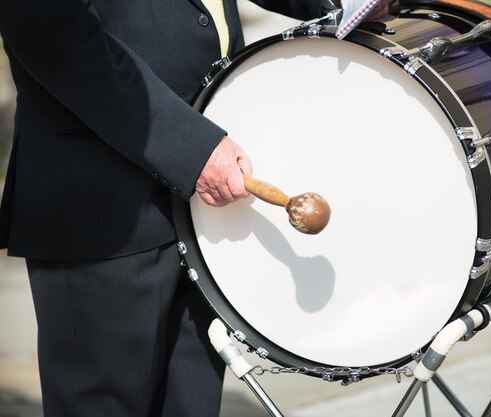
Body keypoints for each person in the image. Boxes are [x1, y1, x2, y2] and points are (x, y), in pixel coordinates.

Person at [0, 0, 387, 416]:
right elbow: (51, 33)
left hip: (203, 204)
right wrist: (190, 149)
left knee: (192, 404)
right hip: (102, 206)